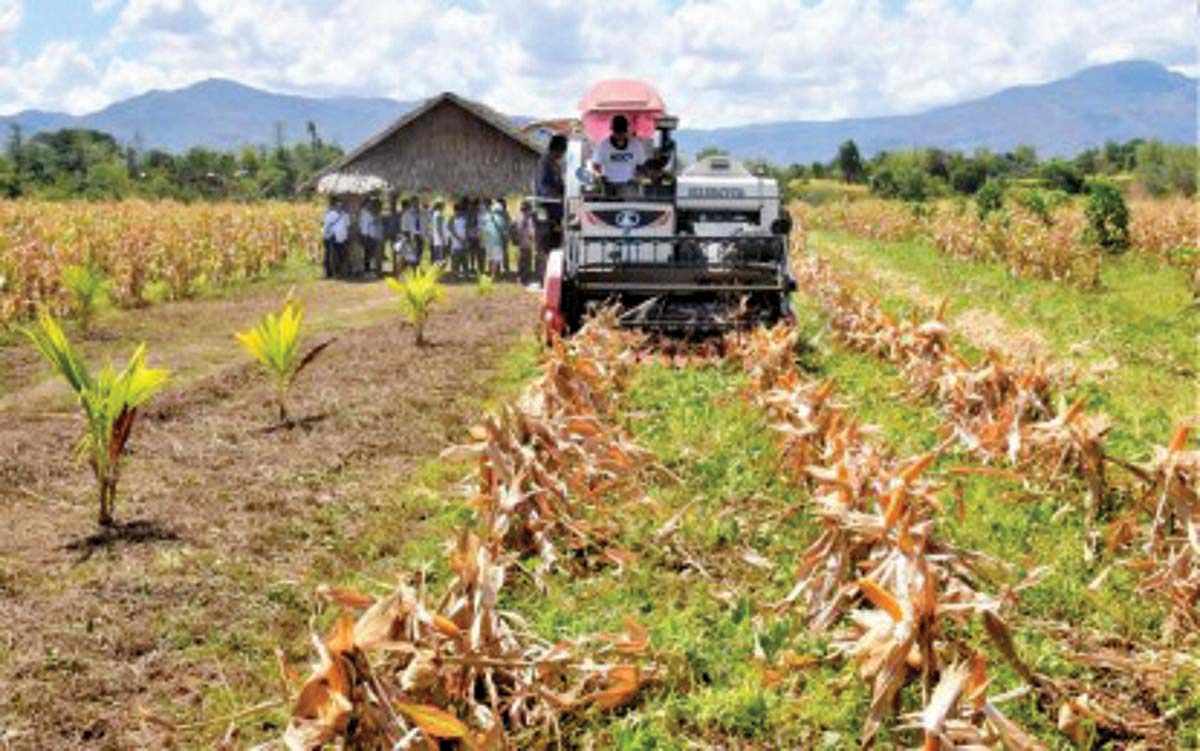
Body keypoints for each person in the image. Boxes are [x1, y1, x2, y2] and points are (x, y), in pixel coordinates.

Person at [533, 134, 567, 282]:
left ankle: (552, 278)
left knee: (555, 245)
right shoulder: (545, 163)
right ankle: (544, 279)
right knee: (546, 247)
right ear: (559, 149)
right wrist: (558, 196)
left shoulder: (553, 163)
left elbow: (559, 185)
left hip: (556, 209)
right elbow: (543, 187)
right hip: (546, 210)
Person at [590, 114, 649, 187]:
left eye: (622, 131)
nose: (620, 134)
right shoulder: (602, 146)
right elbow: (595, 165)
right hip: (609, 184)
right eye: (617, 131)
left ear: (627, 130)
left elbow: (641, 165)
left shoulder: (636, 145)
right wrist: (599, 175)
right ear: (612, 130)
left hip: (630, 184)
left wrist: (640, 175)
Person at [322, 198, 349, 278]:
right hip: (332, 237)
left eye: (341, 205)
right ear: (335, 206)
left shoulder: (345, 215)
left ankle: (340, 271)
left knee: (341, 256)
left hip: (342, 238)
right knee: (332, 256)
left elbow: (347, 226)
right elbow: (326, 226)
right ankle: (331, 273)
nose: (339, 207)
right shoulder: (330, 214)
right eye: (338, 205)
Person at [481, 200, 507, 278]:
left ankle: (490, 272)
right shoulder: (501, 219)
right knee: (496, 259)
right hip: (497, 241)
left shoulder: (486, 217)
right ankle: (493, 274)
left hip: (488, 241)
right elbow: (503, 231)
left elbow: (484, 229)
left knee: (490, 258)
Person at [358, 198, 382, 276]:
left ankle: (368, 270)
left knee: (368, 254)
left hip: (368, 235)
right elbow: (368, 224)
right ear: (366, 204)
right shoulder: (365, 213)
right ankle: (367, 271)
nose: (370, 205)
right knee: (368, 254)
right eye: (369, 203)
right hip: (367, 235)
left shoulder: (365, 212)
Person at [516, 200, 536, 286]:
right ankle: (525, 278)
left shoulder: (518, 216)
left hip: (520, 242)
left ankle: (521, 277)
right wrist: (533, 238)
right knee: (527, 261)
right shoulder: (528, 218)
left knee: (521, 261)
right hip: (526, 242)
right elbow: (531, 231)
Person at [448, 202, 468, 277]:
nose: (459, 212)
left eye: (460, 211)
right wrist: (459, 239)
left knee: (464, 260)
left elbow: (466, 230)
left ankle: (465, 274)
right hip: (455, 243)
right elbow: (451, 229)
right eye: (457, 210)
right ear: (455, 211)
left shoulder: (464, 219)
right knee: (455, 260)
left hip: (463, 242)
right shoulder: (452, 219)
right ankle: (455, 274)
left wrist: (465, 240)